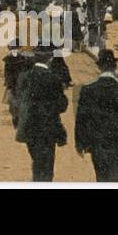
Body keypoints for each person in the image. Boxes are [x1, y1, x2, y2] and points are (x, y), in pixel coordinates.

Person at [74, 49, 118, 182]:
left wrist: (80, 143)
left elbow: (81, 119)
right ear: (114, 66)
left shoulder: (87, 90)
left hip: (97, 144)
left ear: (99, 67)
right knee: (116, 179)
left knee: (101, 178)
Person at [14, 44, 69, 181]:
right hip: (48, 129)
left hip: (29, 128)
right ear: (49, 59)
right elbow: (62, 106)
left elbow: (18, 102)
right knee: (47, 168)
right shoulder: (54, 79)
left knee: (37, 163)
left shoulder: (24, 77)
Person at [2, 39, 33, 118]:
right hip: (22, 85)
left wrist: (8, 84)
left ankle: (17, 118)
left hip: (13, 85)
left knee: (14, 105)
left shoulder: (9, 59)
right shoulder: (25, 59)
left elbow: (7, 74)